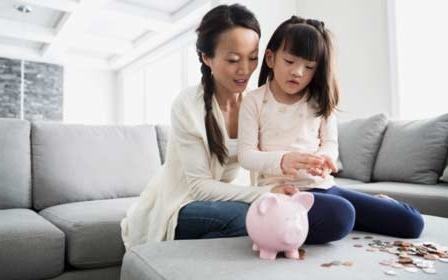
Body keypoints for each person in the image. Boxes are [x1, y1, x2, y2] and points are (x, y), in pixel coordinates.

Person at [120, 4, 328, 248]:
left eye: (252, 58)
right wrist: (266, 193)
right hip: (183, 203)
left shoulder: (256, 101)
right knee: (250, 219)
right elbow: (200, 188)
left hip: (224, 199)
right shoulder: (188, 105)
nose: (245, 70)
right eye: (232, 60)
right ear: (206, 58)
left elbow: (276, 155)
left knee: (294, 216)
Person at [238, 15, 425, 243]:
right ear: (270, 58)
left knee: (412, 223)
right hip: (283, 194)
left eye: (308, 67)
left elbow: (330, 143)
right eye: (289, 62)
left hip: (324, 187)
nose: (298, 72)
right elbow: (246, 155)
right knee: (340, 215)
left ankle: (374, 205)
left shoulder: (320, 101)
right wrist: (282, 160)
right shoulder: (253, 101)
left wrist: (325, 157)